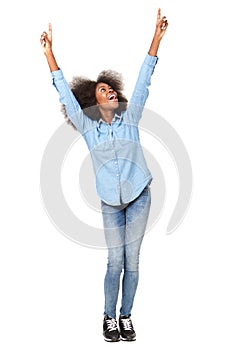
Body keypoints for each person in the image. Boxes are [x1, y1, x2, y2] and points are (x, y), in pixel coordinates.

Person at [40, 8, 168, 342]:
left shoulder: (132, 116)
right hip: (111, 202)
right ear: (93, 103)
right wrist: (50, 55)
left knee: (133, 261)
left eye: (110, 88)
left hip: (139, 196)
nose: (109, 91)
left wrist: (155, 38)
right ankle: (109, 318)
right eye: (102, 90)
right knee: (115, 261)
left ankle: (126, 317)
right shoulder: (88, 128)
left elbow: (144, 80)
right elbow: (64, 95)